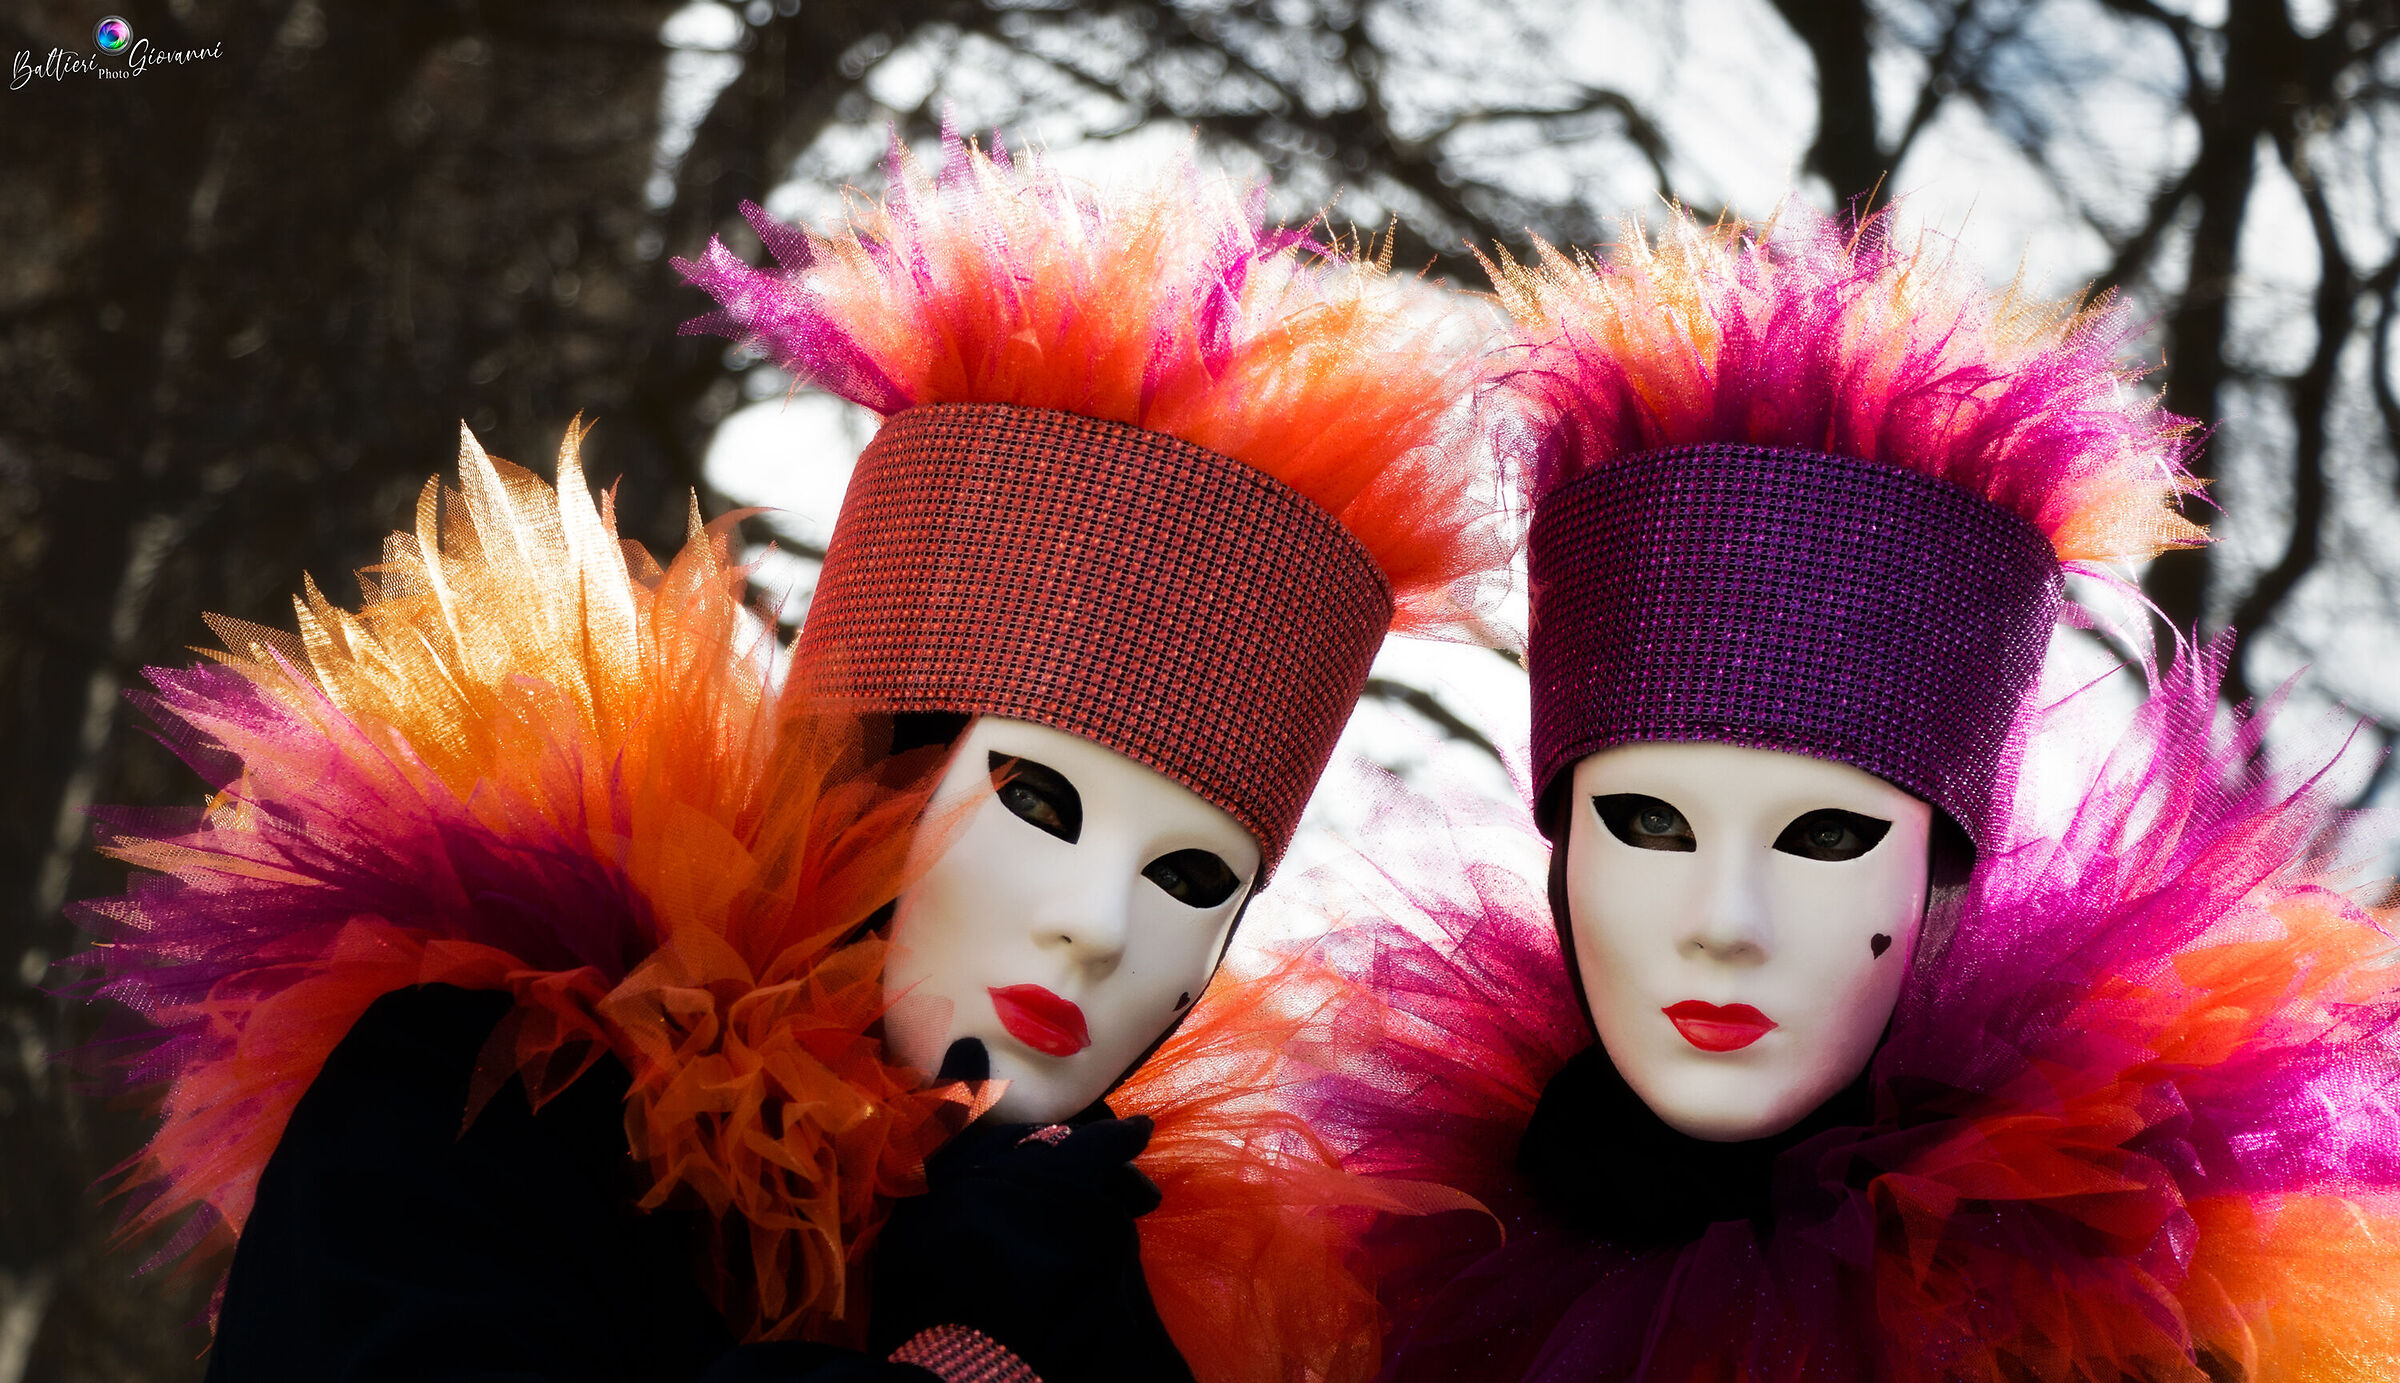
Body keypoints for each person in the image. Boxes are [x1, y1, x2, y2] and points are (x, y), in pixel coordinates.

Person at [79, 136, 1496, 1382]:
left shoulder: (1140, 1289)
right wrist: (969, 1355)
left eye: (1194, 873)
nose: (1098, 921)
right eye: (1041, 800)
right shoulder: (489, 1090)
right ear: (872, 759)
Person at [1245, 207, 2400, 1380]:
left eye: (1828, 836)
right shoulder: (1411, 1257)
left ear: (1943, 876)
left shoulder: (2099, 1313)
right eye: (1648, 824)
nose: (1723, 923)